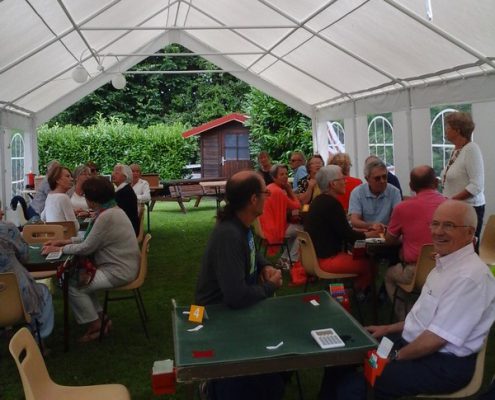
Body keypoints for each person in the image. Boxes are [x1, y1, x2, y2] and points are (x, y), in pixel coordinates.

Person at [319, 200, 495, 400]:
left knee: (354, 388)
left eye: (449, 225)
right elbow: (424, 319)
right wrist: (387, 329)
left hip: (441, 363)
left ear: (470, 233)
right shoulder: (446, 263)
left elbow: (436, 339)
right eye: (435, 223)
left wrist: (394, 357)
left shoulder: (469, 278)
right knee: (340, 355)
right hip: (413, 345)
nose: (438, 231)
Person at [195, 170, 284, 400]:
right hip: (213, 315)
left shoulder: (240, 225)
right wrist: (270, 286)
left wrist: (264, 266)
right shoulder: (229, 235)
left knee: (273, 378)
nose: (268, 196)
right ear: (253, 199)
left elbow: (251, 250)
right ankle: (212, 385)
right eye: (265, 192)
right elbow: (236, 297)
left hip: (227, 311)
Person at [42, 177, 140, 342]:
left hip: (118, 271)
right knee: (79, 280)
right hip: (124, 267)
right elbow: (92, 239)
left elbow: (87, 247)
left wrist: (60, 249)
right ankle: (101, 319)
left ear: (91, 200)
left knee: (72, 284)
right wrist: (64, 241)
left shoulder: (105, 217)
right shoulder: (112, 211)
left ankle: (96, 324)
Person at [304, 166, 381, 291]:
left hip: (315, 258)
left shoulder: (318, 201)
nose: (345, 181)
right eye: (342, 179)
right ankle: (358, 294)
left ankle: (352, 291)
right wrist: (370, 234)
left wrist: (366, 231)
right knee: (370, 264)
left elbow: (342, 231)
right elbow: (348, 236)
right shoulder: (332, 204)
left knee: (360, 257)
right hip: (327, 260)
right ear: (333, 184)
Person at [384, 165, 446, 320]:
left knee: (389, 276)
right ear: (436, 183)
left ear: (411, 187)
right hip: (447, 268)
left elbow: (389, 240)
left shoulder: (402, 208)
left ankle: (406, 320)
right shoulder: (450, 205)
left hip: (416, 272)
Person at [0, 207, 54, 340]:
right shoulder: (7, 229)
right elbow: (24, 255)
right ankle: (39, 338)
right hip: (17, 299)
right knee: (42, 293)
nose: (2, 212)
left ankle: (8, 329)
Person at [440, 111, 485, 251]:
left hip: (469, 210)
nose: (445, 130)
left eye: (447, 127)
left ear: (457, 130)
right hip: (455, 208)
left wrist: (452, 200)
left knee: (465, 251)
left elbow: (476, 186)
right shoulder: (457, 150)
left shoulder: (471, 149)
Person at [259, 164, 301, 269]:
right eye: (281, 174)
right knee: (303, 230)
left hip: (264, 228)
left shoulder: (270, 188)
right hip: (273, 230)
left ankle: (284, 258)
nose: (285, 176)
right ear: (274, 177)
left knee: (295, 231)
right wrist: (289, 190)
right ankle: (292, 260)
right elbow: (297, 206)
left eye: (286, 173)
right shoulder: (278, 191)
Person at [349, 158, 401, 231]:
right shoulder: (357, 192)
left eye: (384, 177)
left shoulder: (394, 192)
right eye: (377, 178)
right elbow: (354, 221)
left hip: (388, 233)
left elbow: (398, 219)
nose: (382, 181)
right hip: (366, 233)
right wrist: (372, 226)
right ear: (367, 179)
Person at [41, 165, 80, 231]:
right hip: (64, 238)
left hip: (52, 237)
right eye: (67, 176)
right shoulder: (64, 197)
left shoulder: (50, 196)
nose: (72, 179)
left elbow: (43, 217)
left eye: (71, 176)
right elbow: (75, 227)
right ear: (57, 180)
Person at [112, 163, 139, 236]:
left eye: (117, 173)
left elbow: (114, 214)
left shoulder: (124, 192)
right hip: (127, 229)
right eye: (113, 172)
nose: (113, 174)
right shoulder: (124, 189)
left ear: (125, 177)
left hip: (126, 232)